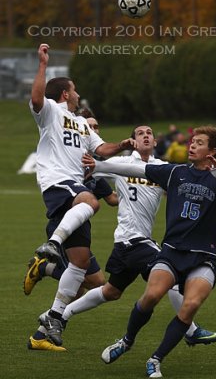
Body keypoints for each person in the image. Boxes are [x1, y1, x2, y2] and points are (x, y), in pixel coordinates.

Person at [83, 125, 216, 378]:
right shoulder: (175, 172)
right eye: (192, 141)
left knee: (190, 304)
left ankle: (156, 359)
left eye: (199, 142)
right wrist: (99, 166)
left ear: (212, 151)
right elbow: (136, 168)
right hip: (173, 252)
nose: (191, 145)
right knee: (151, 296)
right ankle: (127, 341)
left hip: (206, 257)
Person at [44, 125, 216, 349]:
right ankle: (191, 330)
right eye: (140, 133)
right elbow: (92, 167)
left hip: (132, 243)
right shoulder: (124, 164)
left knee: (112, 291)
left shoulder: (164, 168)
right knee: (173, 276)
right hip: (132, 239)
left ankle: (59, 315)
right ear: (133, 142)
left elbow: (187, 185)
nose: (146, 135)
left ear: (155, 142)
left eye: (150, 133)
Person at [29, 43, 136, 348]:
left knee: (79, 265)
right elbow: (37, 98)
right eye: (74, 90)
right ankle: (52, 244)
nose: (77, 94)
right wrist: (42, 65)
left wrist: (125, 143)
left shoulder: (83, 125)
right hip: (59, 183)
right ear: (65, 94)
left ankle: (48, 325)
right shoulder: (51, 112)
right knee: (92, 201)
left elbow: (102, 150)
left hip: (74, 189)